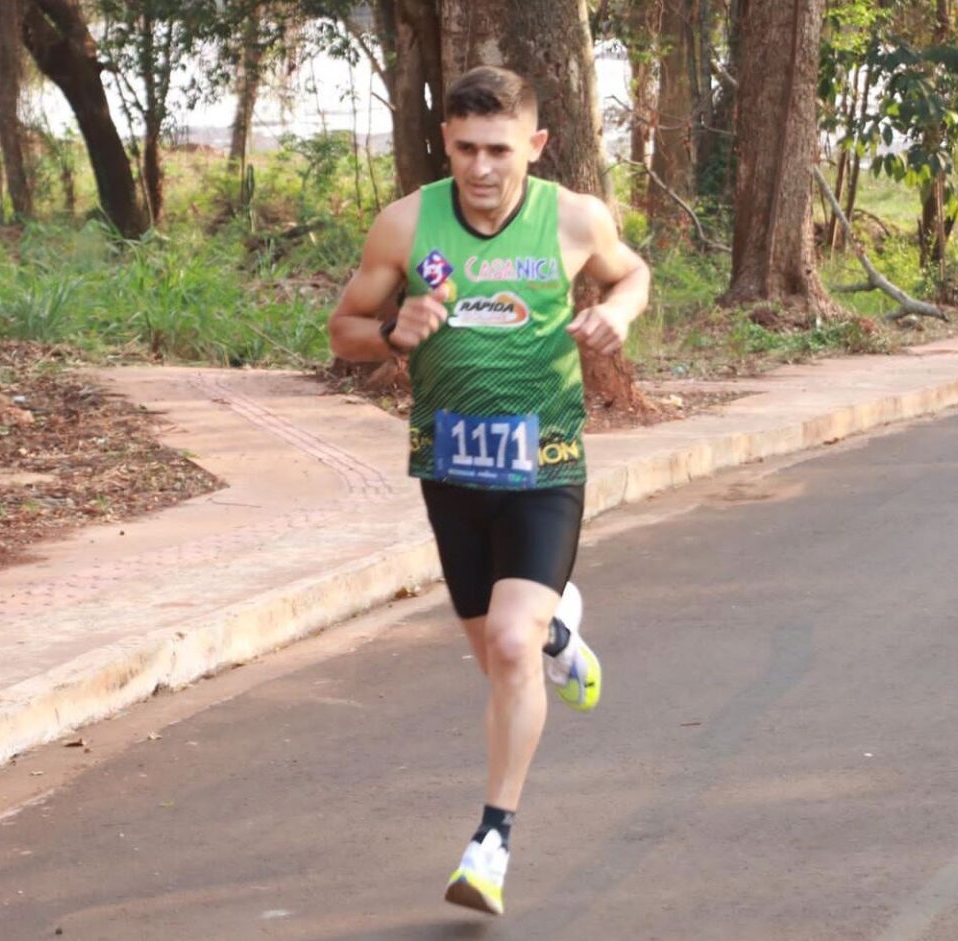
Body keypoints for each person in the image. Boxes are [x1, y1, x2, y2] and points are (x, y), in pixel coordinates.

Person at [328, 65, 650, 916]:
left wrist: (618, 314)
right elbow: (344, 330)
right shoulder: (405, 224)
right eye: (465, 148)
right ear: (446, 142)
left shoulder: (574, 218)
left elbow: (632, 274)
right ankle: (560, 638)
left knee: (507, 645)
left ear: (535, 146)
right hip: (451, 472)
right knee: (500, 656)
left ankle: (492, 840)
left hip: (546, 465)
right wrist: (392, 334)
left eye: (499, 150)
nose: (480, 167)